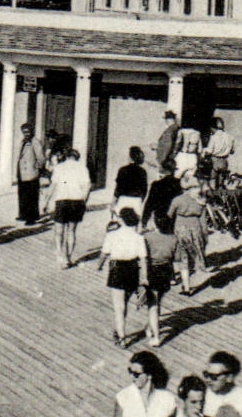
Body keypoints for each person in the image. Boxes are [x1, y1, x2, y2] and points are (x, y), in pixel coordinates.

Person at [97, 208, 149, 346]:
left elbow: (104, 253)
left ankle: (122, 336)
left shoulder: (112, 235)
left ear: (122, 220)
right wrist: (144, 277)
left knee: (118, 306)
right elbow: (143, 259)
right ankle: (118, 330)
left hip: (117, 268)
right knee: (124, 302)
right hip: (132, 269)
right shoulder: (139, 237)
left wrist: (99, 265)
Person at [45, 147, 92, 268]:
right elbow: (87, 186)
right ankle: (68, 257)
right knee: (71, 231)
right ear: (77, 157)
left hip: (62, 200)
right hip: (76, 201)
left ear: (66, 157)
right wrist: (84, 201)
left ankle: (60, 254)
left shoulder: (59, 167)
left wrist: (46, 202)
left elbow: (52, 186)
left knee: (59, 231)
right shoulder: (82, 168)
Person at [142, 212, 179, 346]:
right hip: (166, 270)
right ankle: (151, 326)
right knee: (157, 301)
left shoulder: (147, 237)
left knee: (152, 305)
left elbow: (143, 255)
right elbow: (177, 257)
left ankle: (156, 336)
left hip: (151, 270)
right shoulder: (173, 238)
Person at [170, 172, 209, 295]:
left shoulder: (177, 200)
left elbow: (169, 215)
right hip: (195, 229)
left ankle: (186, 287)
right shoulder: (201, 202)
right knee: (193, 257)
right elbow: (203, 222)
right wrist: (205, 236)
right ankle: (189, 285)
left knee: (183, 259)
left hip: (180, 229)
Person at [15, 122, 46, 225]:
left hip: (31, 173)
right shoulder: (23, 141)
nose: (26, 134)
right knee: (23, 195)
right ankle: (23, 214)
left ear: (31, 131)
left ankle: (31, 217)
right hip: (22, 172)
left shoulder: (35, 142)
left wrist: (37, 168)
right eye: (24, 132)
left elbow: (41, 157)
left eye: (28, 131)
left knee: (31, 196)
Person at [112, 146, 149, 221]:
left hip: (123, 199)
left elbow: (118, 188)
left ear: (129, 157)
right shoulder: (142, 171)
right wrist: (140, 200)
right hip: (136, 200)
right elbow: (144, 190)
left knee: (120, 222)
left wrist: (113, 202)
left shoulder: (122, 170)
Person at [204, 117, 235, 186]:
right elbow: (232, 151)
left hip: (215, 160)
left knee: (213, 179)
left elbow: (209, 151)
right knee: (222, 179)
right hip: (224, 160)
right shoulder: (230, 137)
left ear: (212, 127)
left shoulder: (213, 137)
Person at [153, 110, 179, 175]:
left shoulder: (170, 131)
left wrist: (161, 161)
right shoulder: (176, 128)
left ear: (168, 120)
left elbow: (167, 146)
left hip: (166, 160)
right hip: (170, 159)